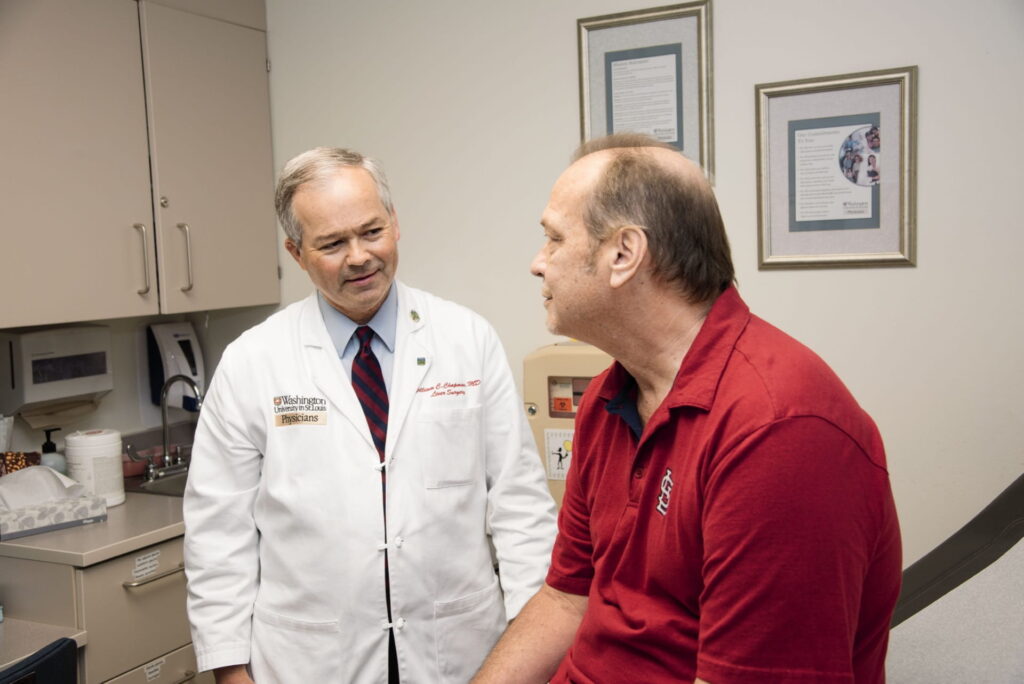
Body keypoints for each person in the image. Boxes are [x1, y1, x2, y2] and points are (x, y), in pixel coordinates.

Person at [472, 133, 902, 683]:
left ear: (623, 254)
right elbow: (565, 598)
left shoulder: (779, 430)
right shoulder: (608, 401)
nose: (538, 264)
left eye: (554, 239)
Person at [184, 147, 557, 684]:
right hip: (307, 661)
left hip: (461, 654)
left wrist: (534, 646)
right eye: (332, 244)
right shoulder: (252, 361)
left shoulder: (466, 339)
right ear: (296, 252)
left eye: (371, 231)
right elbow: (218, 533)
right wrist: (229, 670)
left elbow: (519, 505)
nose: (359, 256)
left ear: (396, 224)